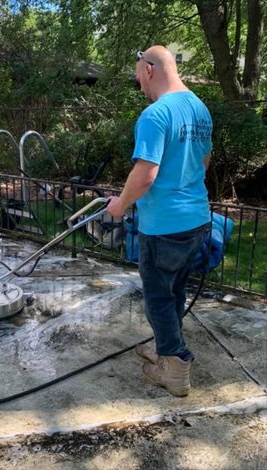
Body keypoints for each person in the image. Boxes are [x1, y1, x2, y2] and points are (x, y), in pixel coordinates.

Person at [106, 46, 212, 397]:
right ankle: (167, 348)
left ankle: (175, 366)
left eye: (139, 80)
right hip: (198, 221)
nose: (141, 89)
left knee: (158, 298)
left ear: (149, 70)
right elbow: (204, 163)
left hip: (164, 228)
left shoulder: (155, 115)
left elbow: (146, 174)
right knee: (175, 291)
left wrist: (120, 205)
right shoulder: (200, 110)